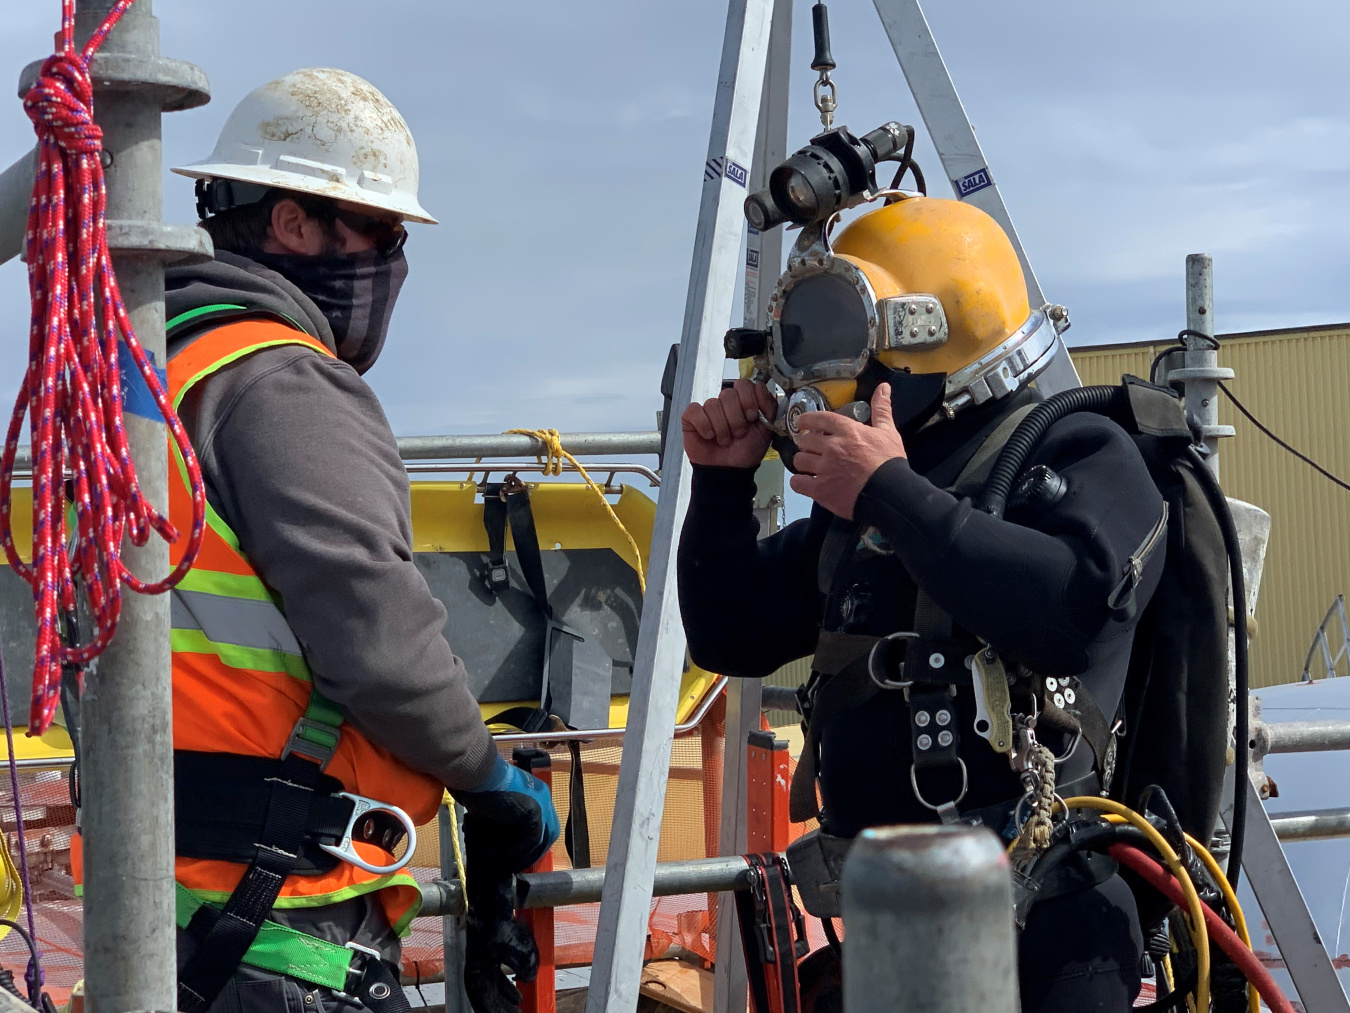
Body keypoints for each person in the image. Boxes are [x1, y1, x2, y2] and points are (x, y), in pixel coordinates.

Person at [677, 195, 1166, 1011]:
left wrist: (892, 493)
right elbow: (730, 632)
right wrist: (723, 487)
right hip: (898, 926)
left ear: (924, 331)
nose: (811, 373)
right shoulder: (876, 500)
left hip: (1048, 925)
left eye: (841, 332)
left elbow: (1070, 615)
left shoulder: (1079, 449)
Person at [160, 68, 557, 1013]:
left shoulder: (152, 373)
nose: (394, 262)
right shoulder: (281, 382)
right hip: (280, 915)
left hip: (166, 908)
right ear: (293, 223)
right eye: (379, 231)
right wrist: (486, 772)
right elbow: (377, 635)